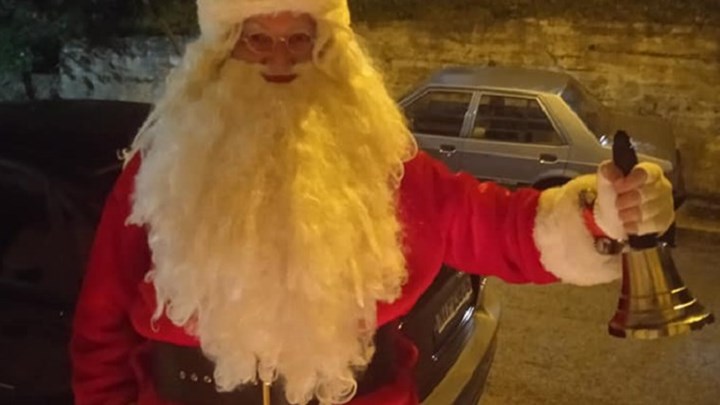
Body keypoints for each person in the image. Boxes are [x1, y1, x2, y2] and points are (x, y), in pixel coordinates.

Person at [70, 0, 676, 404]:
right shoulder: (164, 170)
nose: (279, 58)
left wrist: (604, 213)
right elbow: (101, 326)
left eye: (299, 39)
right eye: (257, 39)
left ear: (328, 50)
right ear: (222, 50)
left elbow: (496, 225)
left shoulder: (381, 166)